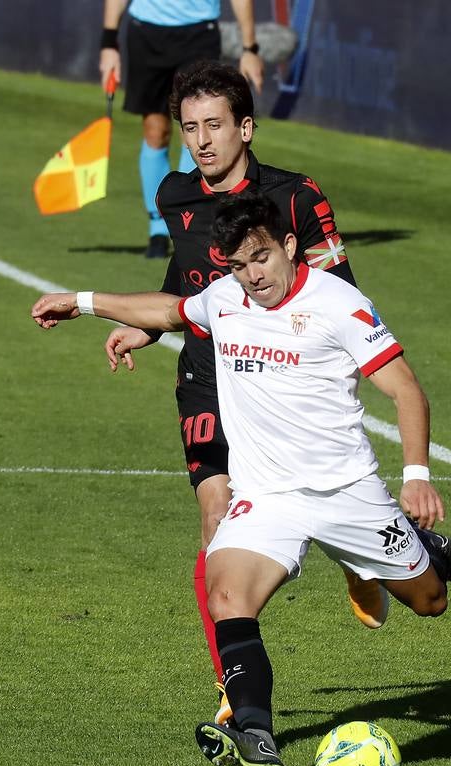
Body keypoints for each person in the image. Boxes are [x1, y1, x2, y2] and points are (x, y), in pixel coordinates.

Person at [31, 191, 451, 766]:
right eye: (238, 265)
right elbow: (169, 312)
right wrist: (84, 304)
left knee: (429, 602)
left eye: (260, 258)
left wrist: (415, 476)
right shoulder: (226, 297)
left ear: (288, 246)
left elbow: (407, 391)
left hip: (346, 492)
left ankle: (420, 549)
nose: (252, 276)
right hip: (266, 494)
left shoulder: (340, 305)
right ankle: (256, 736)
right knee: (227, 595)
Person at [107, 60, 398, 728]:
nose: (201, 141)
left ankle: (358, 558)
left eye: (213, 126)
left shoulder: (297, 199)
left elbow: (342, 295)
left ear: (245, 127)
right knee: (217, 523)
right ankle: (235, 696)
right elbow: (187, 284)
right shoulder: (177, 195)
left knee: (310, 502)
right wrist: (146, 330)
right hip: (208, 379)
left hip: (289, 388)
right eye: (189, 129)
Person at [99, 0, 264, 257]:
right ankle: (158, 227)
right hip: (146, 33)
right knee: (156, 132)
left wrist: (250, 47)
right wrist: (109, 42)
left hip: (198, 34)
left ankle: (193, 220)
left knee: (196, 130)